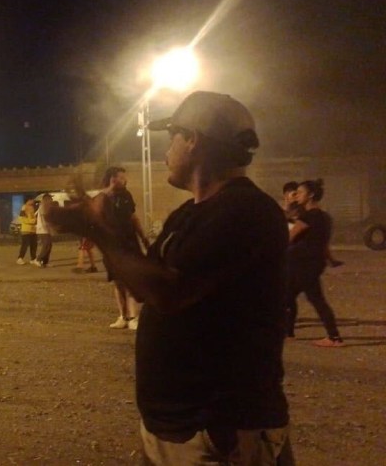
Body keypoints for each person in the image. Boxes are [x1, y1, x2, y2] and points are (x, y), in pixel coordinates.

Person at [48, 91, 293, 465]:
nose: (166, 150)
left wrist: (95, 230)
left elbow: (170, 291)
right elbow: (145, 285)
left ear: (192, 139)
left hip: (219, 430)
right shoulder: (189, 214)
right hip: (177, 429)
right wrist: (99, 226)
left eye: (171, 137)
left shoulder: (246, 211)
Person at [285, 179, 345, 347]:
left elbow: (289, 237)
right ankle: (288, 333)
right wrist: (331, 260)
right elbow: (323, 243)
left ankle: (334, 338)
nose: (297, 195)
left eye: (300, 192)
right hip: (312, 263)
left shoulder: (308, 216)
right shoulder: (324, 217)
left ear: (310, 195)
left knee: (316, 299)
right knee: (286, 296)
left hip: (303, 264)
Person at [97, 166, 149, 330]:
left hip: (129, 243)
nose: (124, 180)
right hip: (112, 246)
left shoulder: (126, 195)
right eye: (120, 177)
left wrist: (144, 238)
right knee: (118, 281)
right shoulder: (102, 197)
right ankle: (123, 316)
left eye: (123, 177)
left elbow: (133, 217)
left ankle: (134, 317)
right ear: (112, 179)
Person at [32, 194, 54, 267]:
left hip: (46, 229)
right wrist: (48, 227)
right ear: (46, 199)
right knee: (46, 245)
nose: (51, 200)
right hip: (43, 229)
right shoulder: (42, 207)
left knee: (49, 245)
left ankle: (45, 262)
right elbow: (45, 218)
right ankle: (38, 259)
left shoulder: (46, 207)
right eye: (50, 199)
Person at [16, 198, 38, 265]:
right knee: (24, 245)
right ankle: (20, 258)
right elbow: (22, 219)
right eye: (32, 200)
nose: (33, 201)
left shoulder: (32, 207)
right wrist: (33, 221)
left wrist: (34, 220)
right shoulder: (24, 208)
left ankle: (33, 259)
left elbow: (33, 217)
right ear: (28, 200)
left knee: (34, 245)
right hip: (26, 230)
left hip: (33, 230)